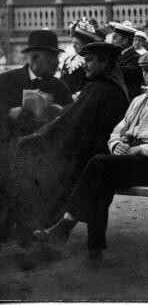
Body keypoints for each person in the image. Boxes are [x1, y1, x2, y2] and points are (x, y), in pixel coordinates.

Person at [32, 50, 148, 267]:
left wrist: (137, 149)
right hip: (126, 163)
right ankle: (94, 254)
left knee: (98, 163)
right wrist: (118, 144)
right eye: (145, 71)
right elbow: (116, 132)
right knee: (99, 183)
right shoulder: (138, 101)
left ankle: (65, 226)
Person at [3, 42, 129, 251]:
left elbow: (72, 125)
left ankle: (33, 234)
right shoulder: (111, 86)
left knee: (33, 167)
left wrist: (38, 137)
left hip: (88, 158)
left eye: (89, 60)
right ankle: (41, 232)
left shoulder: (98, 88)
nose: (84, 65)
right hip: (96, 154)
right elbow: (76, 118)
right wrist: (62, 112)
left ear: (104, 62)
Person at [0, 30, 73, 127]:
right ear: (35, 58)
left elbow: (72, 120)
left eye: (57, 57)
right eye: (51, 57)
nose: (57, 62)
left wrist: (61, 112)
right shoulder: (5, 82)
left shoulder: (60, 87)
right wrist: (9, 114)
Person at [59, 18, 104, 95]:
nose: (73, 46)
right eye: (72, 43)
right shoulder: (68, 60)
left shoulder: (92, 62)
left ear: (85, 44)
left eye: (77, 43)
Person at [110, 21, 144, 101]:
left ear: (125, 40)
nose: (112, 42)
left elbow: (119, 74)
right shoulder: (117, 56)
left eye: (115, 38)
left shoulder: (136, 58)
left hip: (128, 100)